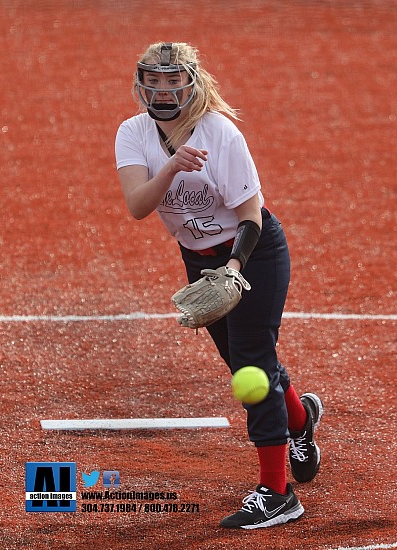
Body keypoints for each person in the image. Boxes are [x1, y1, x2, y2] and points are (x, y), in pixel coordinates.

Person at [115, 41, 323, 529]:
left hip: (252, 253)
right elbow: (138, 205)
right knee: (246, 360)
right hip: (198, 259)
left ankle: (276, 492)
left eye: (173, 81)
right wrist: (172, 165)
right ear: (141, 84)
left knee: (251, 363)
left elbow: (250, 214)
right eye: (155, 80)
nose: (162, 90)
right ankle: (300, 421)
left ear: (191, 84)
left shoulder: (220, 132)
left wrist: (234, 267)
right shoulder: (133, 133)